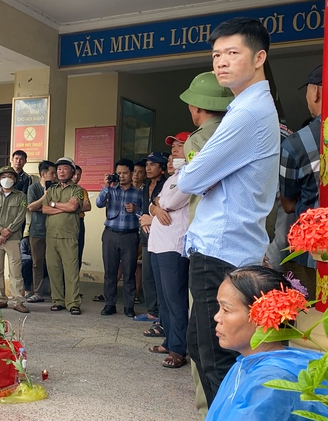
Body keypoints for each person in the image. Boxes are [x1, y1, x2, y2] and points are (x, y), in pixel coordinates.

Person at [177, 17, 279, 406]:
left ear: (259, 57)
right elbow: (201, 176)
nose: (221, 62)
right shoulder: (250, 107)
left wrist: (194, 172)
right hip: (229, 246)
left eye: (233, 53)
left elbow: (189, 180)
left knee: (216, 357)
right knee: (203, 346)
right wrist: (202, 174)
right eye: (217, 54)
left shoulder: (246, 113)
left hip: (222, 249)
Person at [206, 266, 328, 420]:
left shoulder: (268, 382)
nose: (217, 317)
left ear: (260, 316)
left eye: (226, 310)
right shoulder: (248, 364)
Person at [179, 69, 234, 420]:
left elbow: (194, 183)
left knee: (205, 339)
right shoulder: (242, 132)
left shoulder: (198, 141)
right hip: (243, 246)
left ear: (197, 107)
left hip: (210, 244)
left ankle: (209, 409)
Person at [280, 64, 323, 300]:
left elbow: (287, 204)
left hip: (310, 252)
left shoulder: (296, 144)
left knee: (306, 319)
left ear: (315, 92)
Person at [147, 153, 191, 369]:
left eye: (179, 147)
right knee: (164, 298)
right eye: (172, 149)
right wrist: (154, 206)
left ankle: (178, 349)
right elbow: (153, 205)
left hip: (173, 245)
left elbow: (171, 202)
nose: (174, 154)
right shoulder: (169, 180)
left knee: (175, 299)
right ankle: (169, 341)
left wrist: (157, 204)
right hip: (157, 244)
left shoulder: (189, 176)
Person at [96, 159, 143, 317]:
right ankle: (110, 304)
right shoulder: (110, 190)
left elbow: (146, 214)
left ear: (132, 173)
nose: (121, 176)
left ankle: (129, 306)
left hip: (130, 235)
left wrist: (136, 210)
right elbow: (99, 204)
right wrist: (105, 187)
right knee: (110, 271)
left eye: (124, 173)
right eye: (119, 173)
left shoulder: (139, 193)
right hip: (110, 233)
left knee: (129, 272)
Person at [43, 157, 85, 315]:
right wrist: (64, 207)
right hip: (51, 235)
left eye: (64, 169)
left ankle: (73, 302)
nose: (61, 171)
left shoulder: (77, 190)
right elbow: (45, 209)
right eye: (59, 169)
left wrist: (55, 204)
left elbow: (74, 206)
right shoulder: (52, 189)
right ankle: (58, 300)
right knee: (54, 269)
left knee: (71, 270)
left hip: (69, 235)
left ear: (72, 172)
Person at [0, 166, 29, 313]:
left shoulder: (21, 196)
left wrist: (7, 232)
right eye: (4, 176)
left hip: (12, 238)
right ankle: (1, 298)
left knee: (15, 271)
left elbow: (20, 217)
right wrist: (0, 231)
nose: (7, 179)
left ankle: (18, 301)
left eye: (10, 176)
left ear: (15, 179)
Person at [135, 151, 169, 323]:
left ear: (162, 168)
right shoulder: (145, 186)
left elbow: (168, 211)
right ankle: (152, 311)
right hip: (146, 236)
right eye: (146, 165)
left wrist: (152, 220)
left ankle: (164, 315)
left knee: (161, 278)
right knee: (148, 275)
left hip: (163, 236)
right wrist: (142, 220)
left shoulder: (167, 185)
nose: (148, 168)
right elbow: (142, 209)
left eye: (152, 164)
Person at [26, 160, 56, 303]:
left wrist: (44, 206)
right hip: (37, 231)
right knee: (37, 263)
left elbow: (57, 208)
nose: (55, 176)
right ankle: (38, 292)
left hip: (54, 231)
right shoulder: (34, 188)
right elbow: (31, 207)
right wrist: (45, 197)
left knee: (53, 263)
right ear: (43, 174)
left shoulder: (57, 188)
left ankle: (54, 292)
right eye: (52, 173)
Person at [72, 166, 92, 269]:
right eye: (75, 174)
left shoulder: (82, 191)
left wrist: (70, 207)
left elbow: (88, 206)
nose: (76, 177)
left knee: (78, 251)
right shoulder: (60, 189)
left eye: (79, 174)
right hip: (66, 223)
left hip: (79, 222)